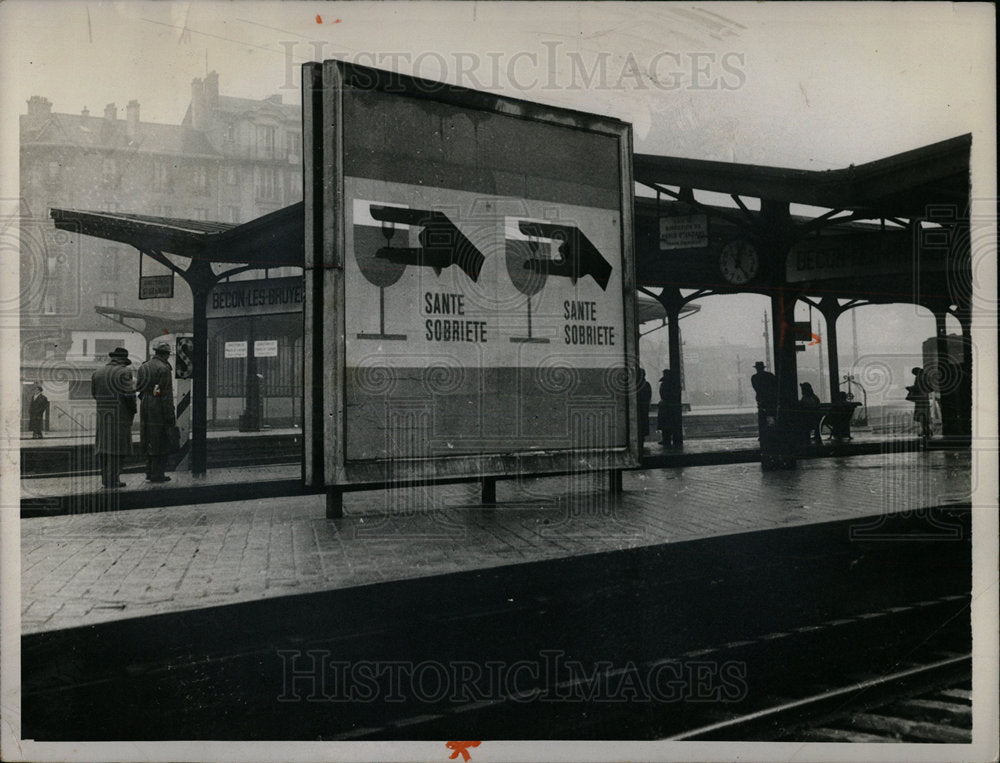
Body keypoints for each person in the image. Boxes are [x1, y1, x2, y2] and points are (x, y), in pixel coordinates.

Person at [90, 347, 136, 489]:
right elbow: (129, 395)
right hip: (120, 416)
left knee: (104, 448)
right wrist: (133, 411)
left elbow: (94, 394)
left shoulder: (97, 373)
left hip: (103, 417)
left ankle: (105, 479)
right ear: (123, 360)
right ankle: (113, 479)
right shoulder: (124, 372)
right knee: (117, 449)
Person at [137, 340, 176, 483]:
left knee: (148, 437)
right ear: (165, 355)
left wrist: (148, 398)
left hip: (145, 404)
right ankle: (157, 474)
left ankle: (148, 471)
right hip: (159, 406)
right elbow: (164, 394)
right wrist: (169, 414)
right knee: (161, 439)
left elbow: (139, 389)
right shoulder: (164, 368)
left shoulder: (144, 366)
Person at [750, 361, 779, 439]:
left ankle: (763, 435)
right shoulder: (770, 376)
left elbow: (757, 389)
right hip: (771, 400)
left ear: (756, 368)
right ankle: (772, 434)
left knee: (762, 418)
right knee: (771, 416)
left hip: (761, 400)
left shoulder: (754, 378)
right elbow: (775, 386)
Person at [657, 368, 682, 449]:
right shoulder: (674, 385)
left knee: (665, 424)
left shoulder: (664, 384)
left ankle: (666, 439)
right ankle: (669, 439)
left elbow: (663, 395)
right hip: (671, 407)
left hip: (665, 407)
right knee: (670, 423)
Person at [906, 366, 932, 439]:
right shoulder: (926, 376)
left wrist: (909, 388)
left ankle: (926, 431)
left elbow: (917, 387)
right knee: (925, 414)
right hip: (925, 398)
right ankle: (927, 430)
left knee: (921, 414)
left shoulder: (919, 377)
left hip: (920, 399)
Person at [637, 368, 652, 450]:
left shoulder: (636, 386)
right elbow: (648, 397)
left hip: (640, 407)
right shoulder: (647, 385)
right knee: (643, 423)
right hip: (644, 407)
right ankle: (642, 439)